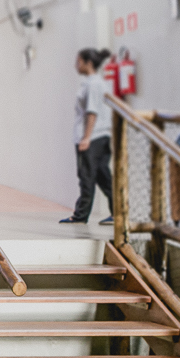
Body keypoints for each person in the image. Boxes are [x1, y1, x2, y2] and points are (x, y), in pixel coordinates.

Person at [62, 48, 114, 225]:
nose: (76, 65)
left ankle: (80, 216)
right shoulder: (98, 83)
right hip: (101, 136)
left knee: (87, 176)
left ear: (88, 63)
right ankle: (118, 213)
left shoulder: (93, 85)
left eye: (79, 61)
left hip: (92, 138)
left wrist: (86, 138)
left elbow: (92, 112)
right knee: (103, 177)